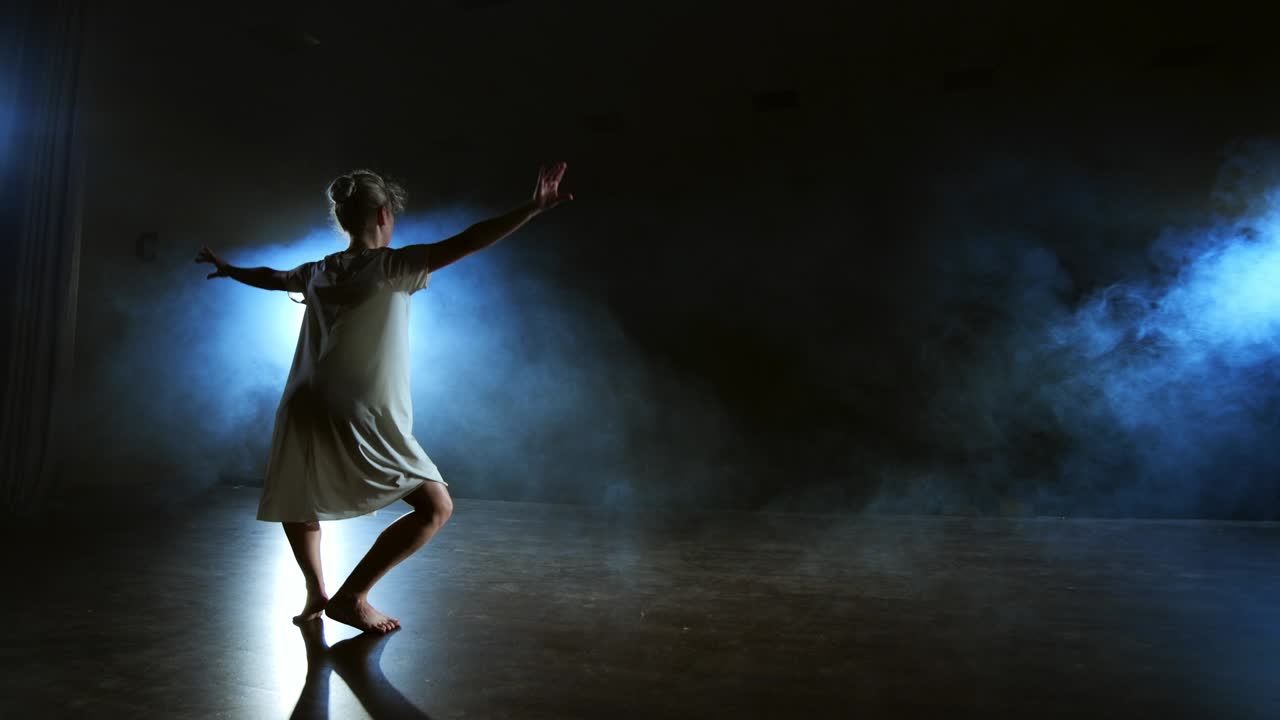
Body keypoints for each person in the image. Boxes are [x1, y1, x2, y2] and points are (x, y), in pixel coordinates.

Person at [195, 163, 573, 633]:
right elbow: (471, 239)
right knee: (436, 507)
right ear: (382, 213)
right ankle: (351, 597)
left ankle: (317, 590)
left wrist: (230, 270)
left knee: (299, 497)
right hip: (357, 407)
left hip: (304, 400)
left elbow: (273, 276)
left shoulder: (319, 270)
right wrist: (532, 208)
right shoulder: (394, 265)